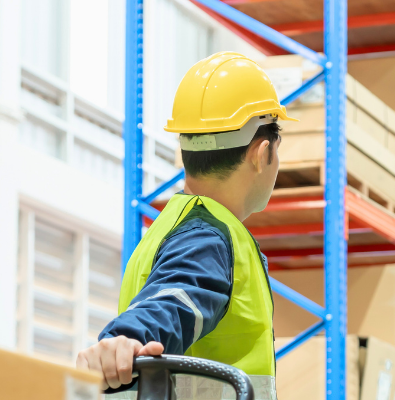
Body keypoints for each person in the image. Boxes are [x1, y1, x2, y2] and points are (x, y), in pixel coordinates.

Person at [75, 51, 294, 398]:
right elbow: (174, 298)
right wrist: (128, 338)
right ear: (261, 152)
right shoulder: (208, 238)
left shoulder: (173, 226)